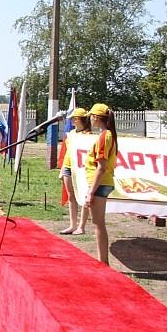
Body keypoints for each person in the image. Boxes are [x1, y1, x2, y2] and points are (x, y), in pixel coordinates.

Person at [85, 103, 118, 265]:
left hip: (100, 183)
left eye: (91, 116)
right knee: (98, 223)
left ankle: (103, 262)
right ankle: (102, 260)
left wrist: (91, 191)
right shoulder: (109, 135)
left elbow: (101, 167)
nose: (90, 119)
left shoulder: (105, 136)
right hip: (103, 182)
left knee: (98, 223)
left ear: (97, 117)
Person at [59, 108, 91, 235]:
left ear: (78, 119)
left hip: (81, 168)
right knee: (71, 196)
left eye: (73, 118)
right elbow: (67, 151)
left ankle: (81, 226)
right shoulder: (71, 133)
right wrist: (62, 169)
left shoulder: (88, 135)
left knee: (83, 197)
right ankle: (72, 225)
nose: (71, 120)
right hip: (68, 166)